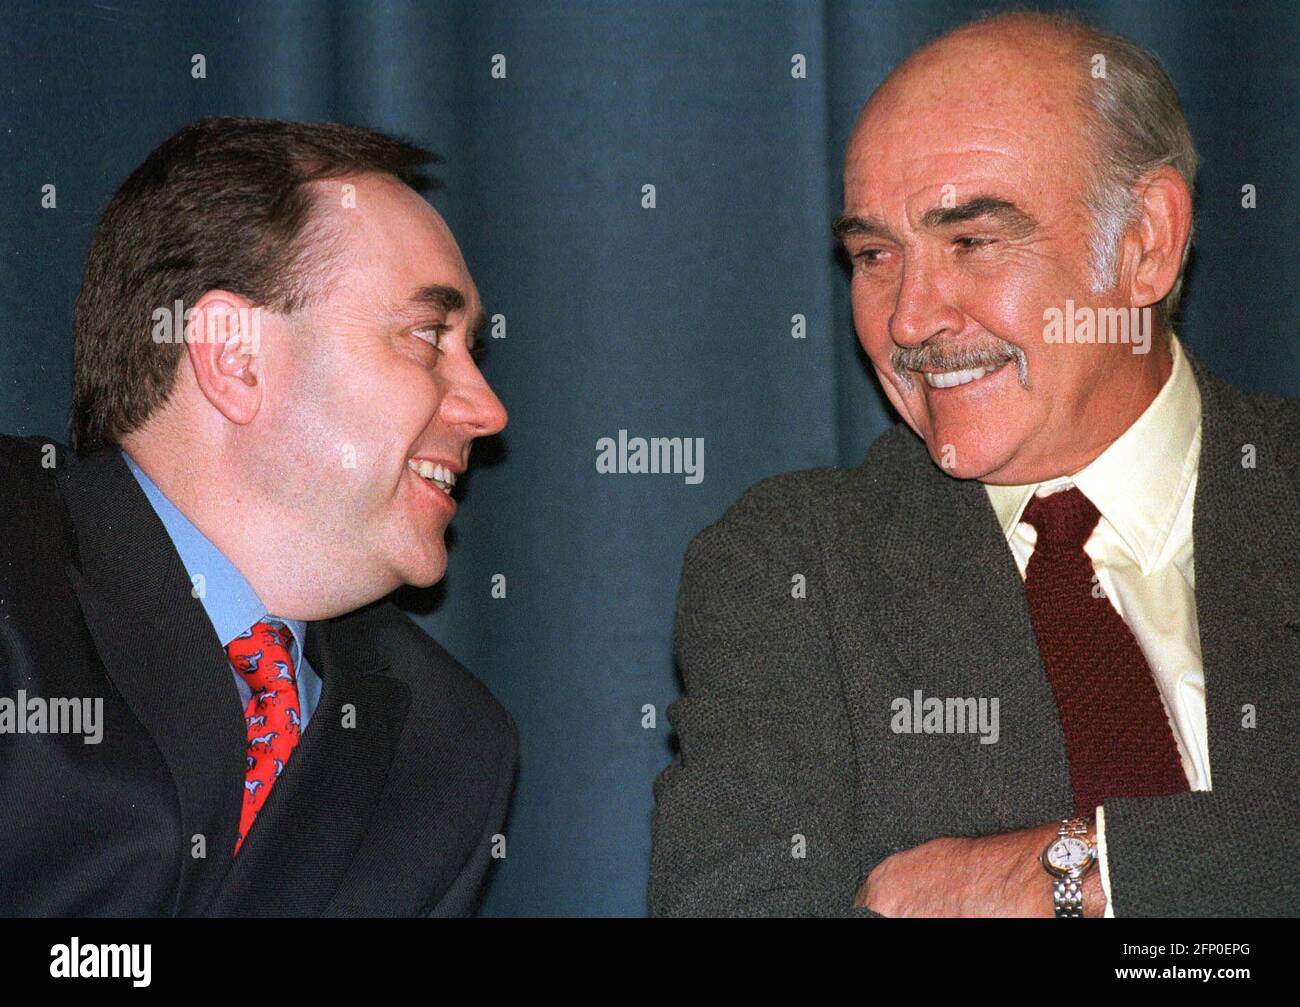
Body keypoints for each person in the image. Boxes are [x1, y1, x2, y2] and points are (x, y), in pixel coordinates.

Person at [649, 12, 1299, 917]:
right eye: (875, 255)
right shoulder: (793, 567)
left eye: (974, 241)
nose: (910, 319)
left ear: (1146, 240)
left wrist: (1078, 875)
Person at [0, 116, 515, 916]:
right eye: (426, 336)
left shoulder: (448, 752)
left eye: (470, 352)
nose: (487, 408)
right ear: (234, 356)